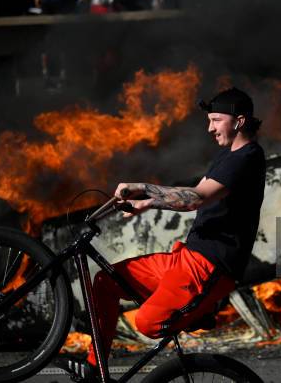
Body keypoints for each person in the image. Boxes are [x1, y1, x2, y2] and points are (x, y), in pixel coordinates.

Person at [56, 87, 266, 382]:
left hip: (210, 266)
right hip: (185, 257)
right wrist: (144, 204)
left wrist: (146, 190)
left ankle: (199, 312)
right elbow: (189, 193)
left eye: (216, 120)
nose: (210, 128)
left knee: (147, 323)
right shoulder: (227, 156)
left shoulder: (248, 157)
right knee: (105, 282)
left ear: (239, 121)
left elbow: (196, 198)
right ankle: (94, 368)